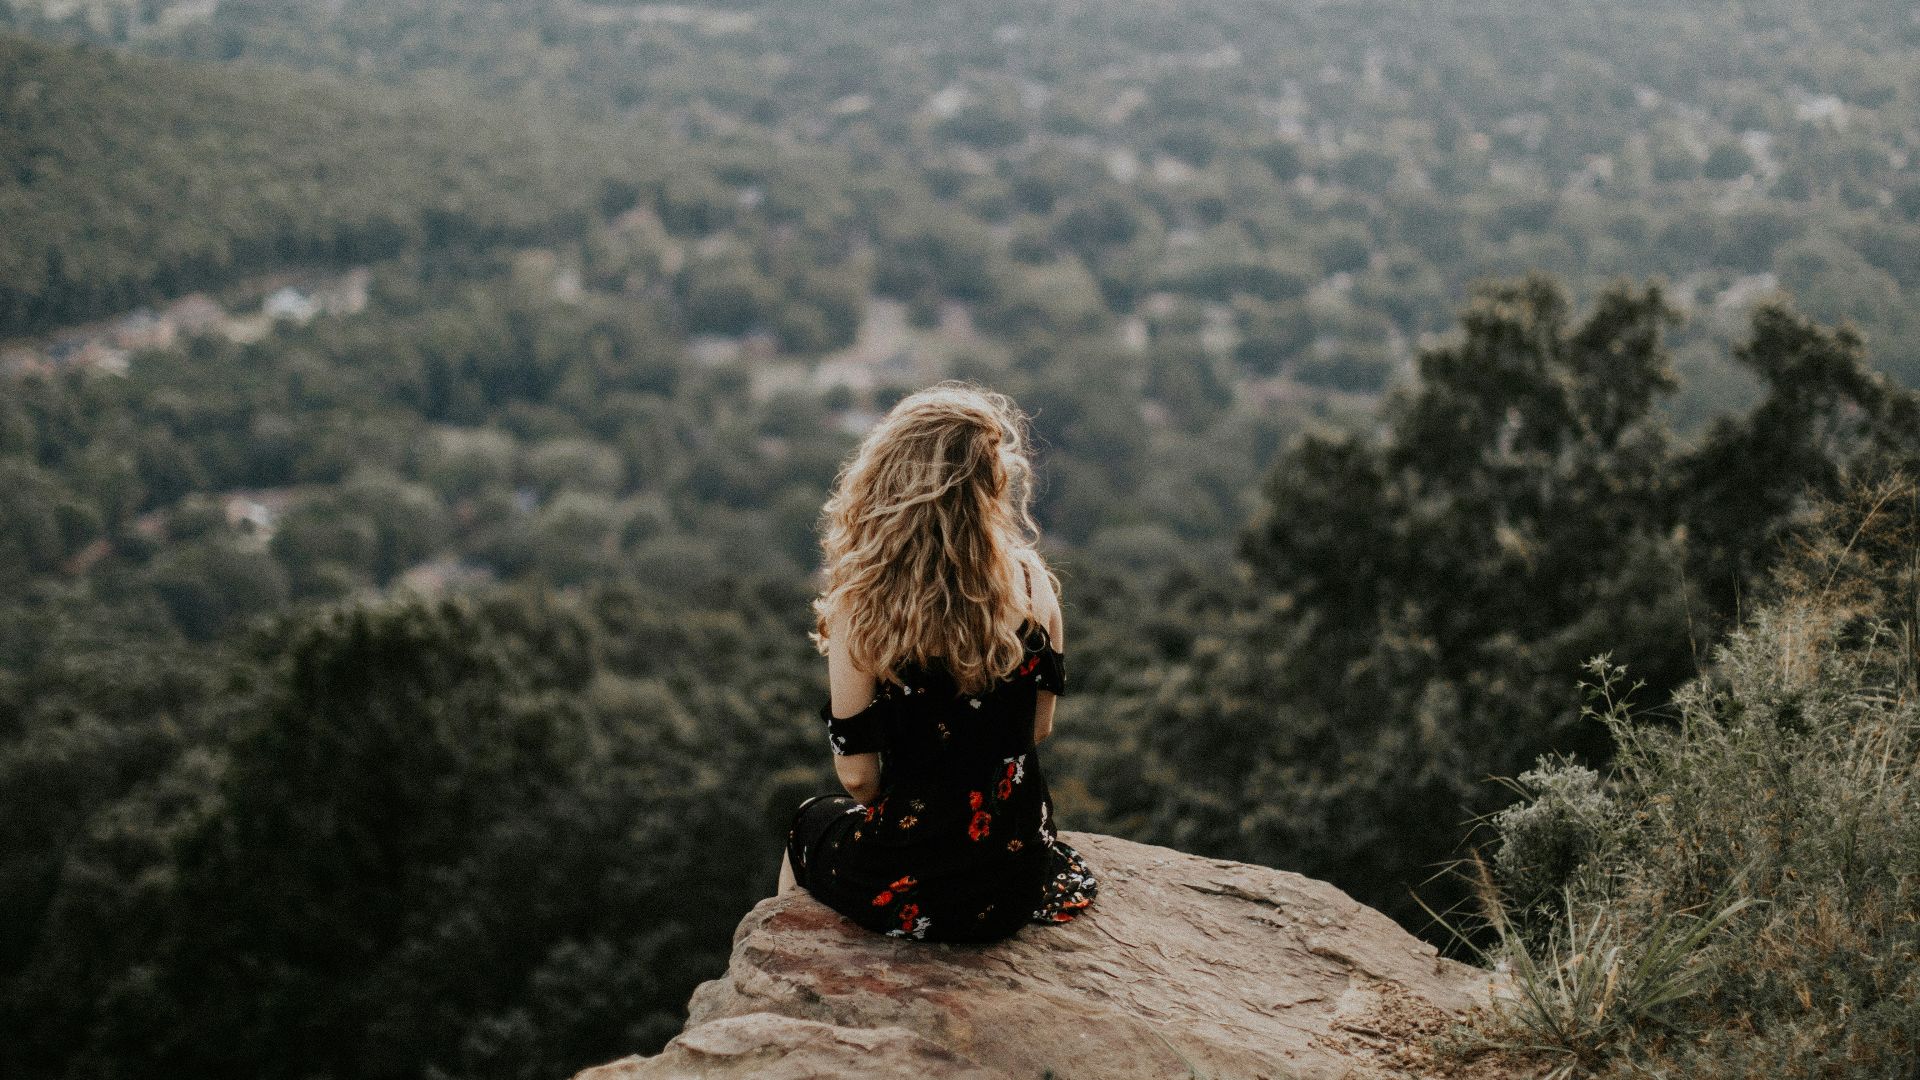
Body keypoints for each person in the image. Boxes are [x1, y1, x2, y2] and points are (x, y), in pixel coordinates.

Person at [777, 382, 1098, 943]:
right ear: (991, 484)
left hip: (915, 877)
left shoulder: (865, 601)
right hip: (1012, 879)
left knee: (805, 825)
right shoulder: (1031, 581)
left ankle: (786, 977)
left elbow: (857, 779)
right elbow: (1038, 729)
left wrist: (917, 807)